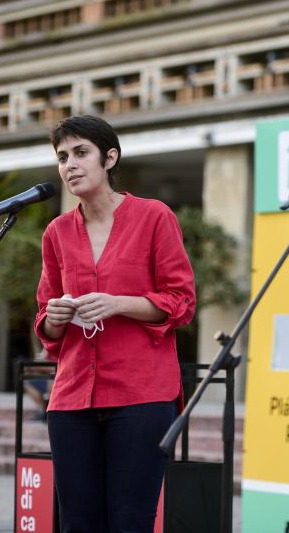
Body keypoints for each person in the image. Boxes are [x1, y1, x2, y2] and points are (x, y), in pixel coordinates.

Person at [34, 115, 196, 531]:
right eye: (62, 156)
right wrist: (54, 318)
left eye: (80, 152)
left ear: (110, 158)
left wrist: (118, 304)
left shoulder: (154, 217)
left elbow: (181, 303)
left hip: (140, 397)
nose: (70, 164)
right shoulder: (56, 232)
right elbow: (46, 324)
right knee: (78, 524)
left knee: (130, 522)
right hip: (71, 400)